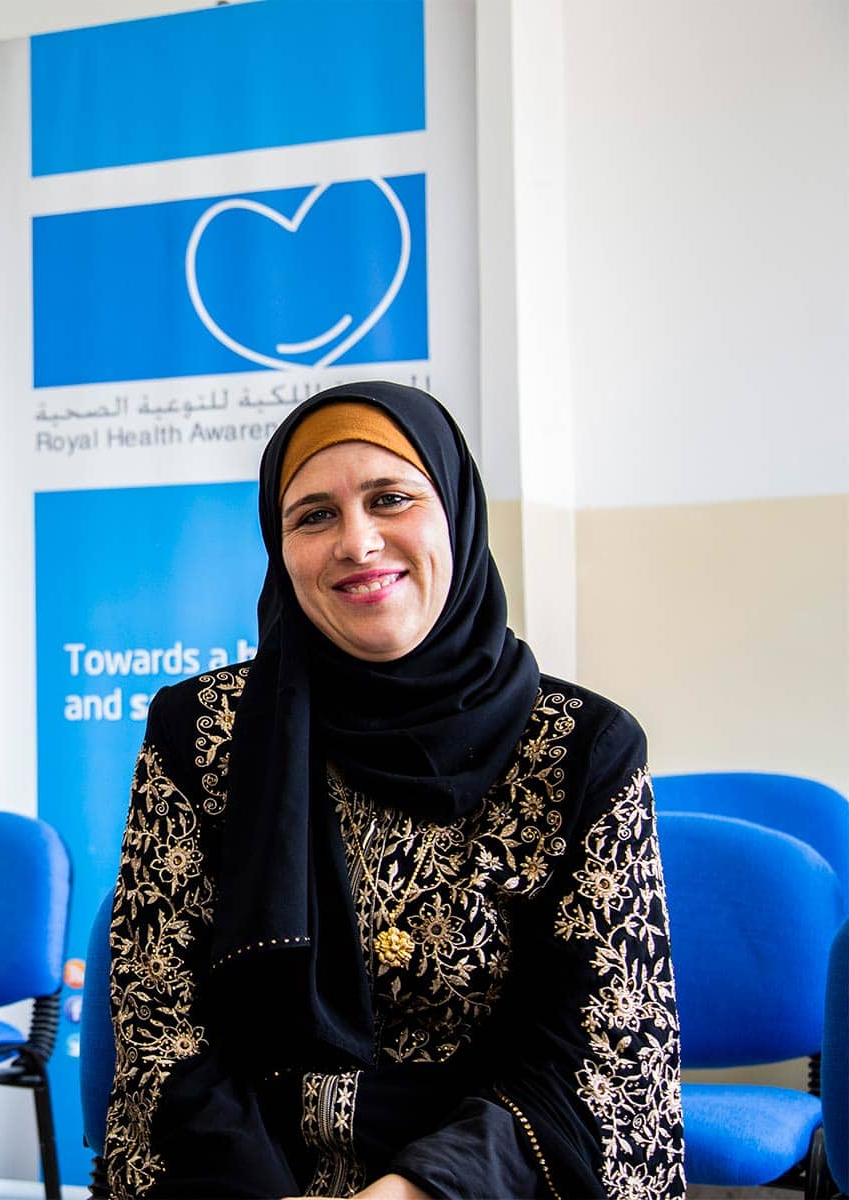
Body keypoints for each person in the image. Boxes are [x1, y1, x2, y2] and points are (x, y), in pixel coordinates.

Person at [101, 382, 683, 1198]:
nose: (358, 541)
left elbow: (599, 1049)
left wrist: (415, 1190)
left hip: (480, 1181)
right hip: (235, 1174)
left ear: (455, 513)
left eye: (391, 499)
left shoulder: (582, 749)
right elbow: (160, 1009)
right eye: (314, 516)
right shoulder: (200, 733)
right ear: (279, 546)